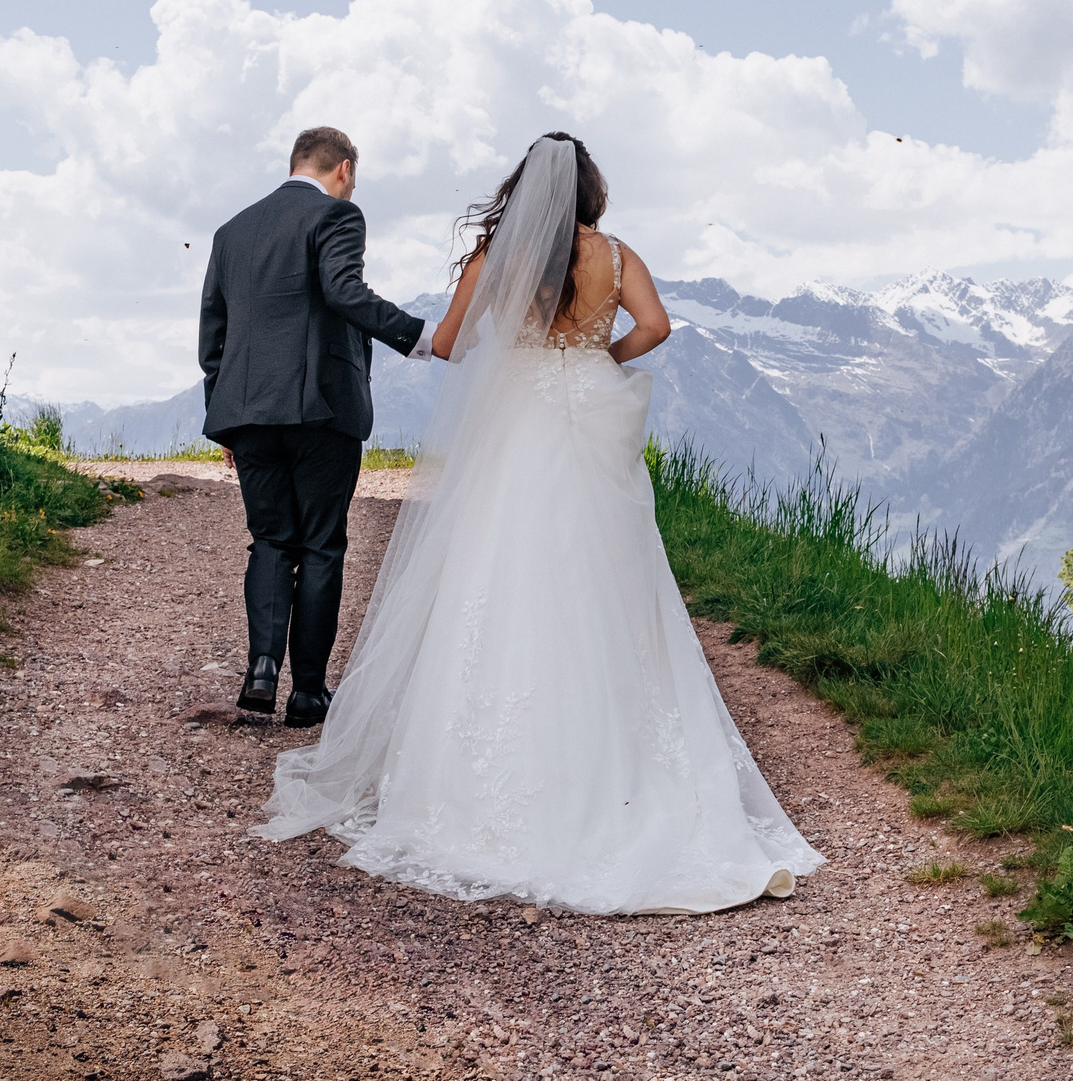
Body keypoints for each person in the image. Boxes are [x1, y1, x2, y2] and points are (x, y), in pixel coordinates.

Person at [253, 132, 824, 914]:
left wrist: (510, 345)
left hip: (520, 420)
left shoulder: (497, 257)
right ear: (590, 189)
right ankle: (631, 778)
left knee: (502, 567)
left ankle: (490, 785)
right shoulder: (615, 254)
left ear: (523, 189)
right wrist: (600, 356)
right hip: (591, 412)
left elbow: (450, 345)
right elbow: (656, 326)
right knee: (611, 573)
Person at [198, 126, 431, 728]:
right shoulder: (337, 217)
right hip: (322, 409)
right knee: (323, 543)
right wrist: (420, 337)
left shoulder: (231, 232)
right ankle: (306, 694)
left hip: (248, 411)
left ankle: (261, 669)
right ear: (345, 169)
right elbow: (343, 291)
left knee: (272, 539)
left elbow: (214, 336)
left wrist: (225, 418)